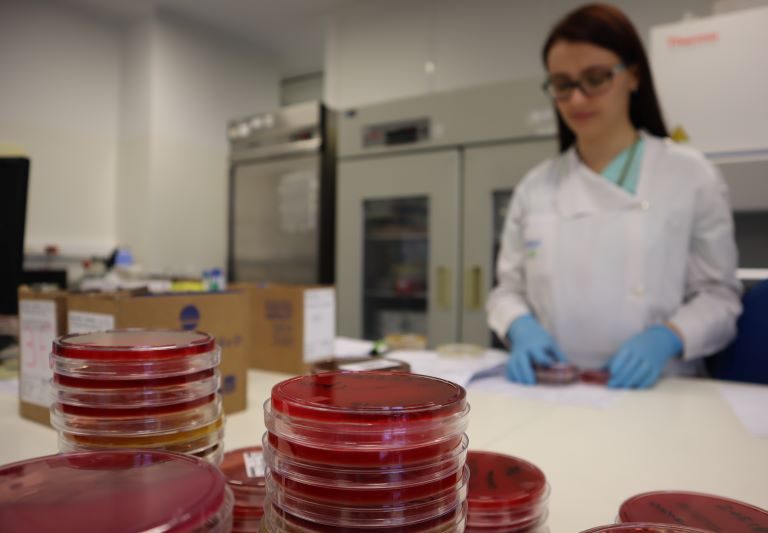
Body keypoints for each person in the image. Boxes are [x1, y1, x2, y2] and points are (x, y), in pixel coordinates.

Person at [486, 3, 742, 389]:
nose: (577, 99)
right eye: (562, 84)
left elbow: (720, 297)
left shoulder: (689, 175)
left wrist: (668, 337)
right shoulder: (535, 186)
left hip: (662, 391)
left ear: (633, 76)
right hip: (553, 387)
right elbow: (507, 291)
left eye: (596, 78)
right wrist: (520, 326)